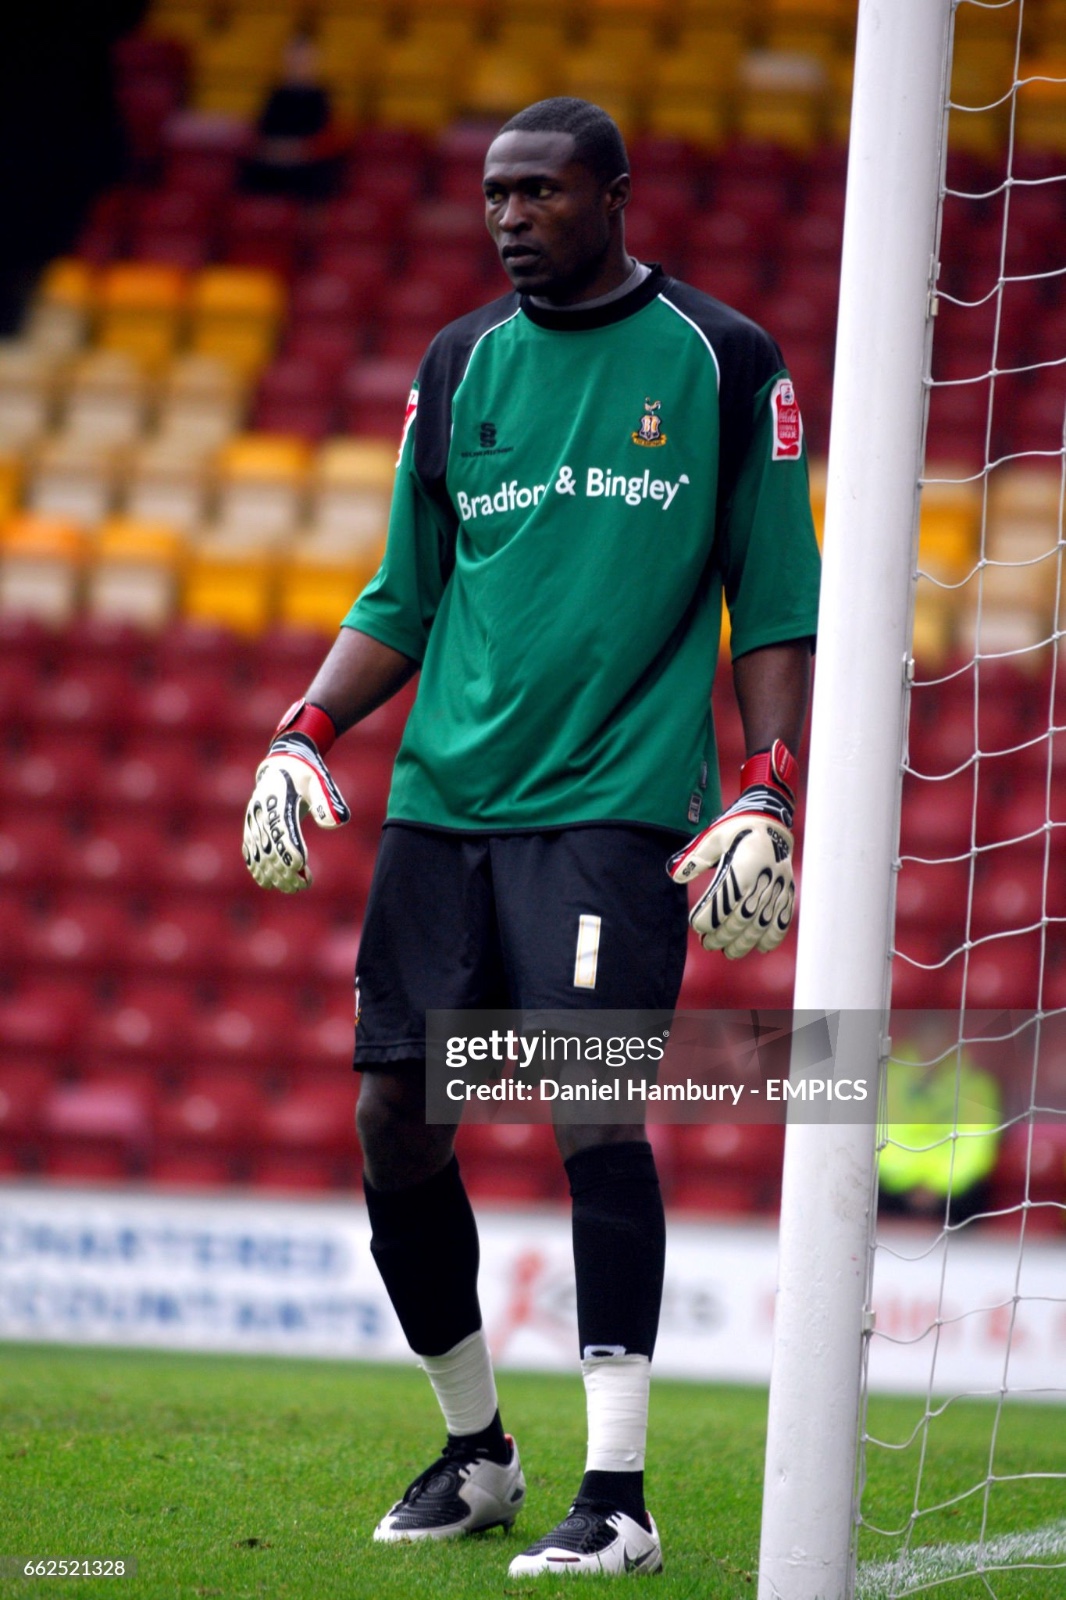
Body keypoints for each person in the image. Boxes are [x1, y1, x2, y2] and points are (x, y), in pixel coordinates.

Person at [243, 96, 820, 1579]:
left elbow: (775, 597)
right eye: (495, 193)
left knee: (588, 1114)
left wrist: (765, 779)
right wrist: (305, 727)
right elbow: (400, 594)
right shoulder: (456, 367)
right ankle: (476, 1450)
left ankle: (616, 1492)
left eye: (541, 193)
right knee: (395, 1121)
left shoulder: (720, 359)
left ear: (614, 195)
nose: (509, 217)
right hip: (444, 810)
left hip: (615, 811)